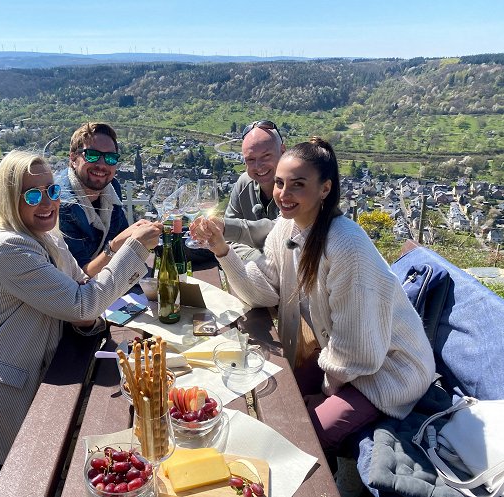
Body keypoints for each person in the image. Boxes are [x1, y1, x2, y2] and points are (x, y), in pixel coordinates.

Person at [190, 137, 434, 459]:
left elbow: (359, 348)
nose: (283, 194)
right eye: (279, 183)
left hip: (388, 370)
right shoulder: (286, 229)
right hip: (343, 354)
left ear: (324, 189)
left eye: (297, 184)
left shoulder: (346, 245)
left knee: (308, 436)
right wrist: (222, 250)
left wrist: (324, 393)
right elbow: (263, 292)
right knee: (280, 405)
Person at [0, 150, 161, 494]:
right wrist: (133, 252)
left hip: (30, 380)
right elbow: (83, 302)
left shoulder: (47, 236)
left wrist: (87, 311)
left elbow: (81, 290)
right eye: (32, 194)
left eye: (52, 191)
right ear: (8, 199)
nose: (47, 202)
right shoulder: (11, 247)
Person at [58, 122, 156, 277]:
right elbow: (80, 275)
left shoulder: (111, 189)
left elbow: (125, 241)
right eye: (92, 155)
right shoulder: (60, 204)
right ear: (73, 157)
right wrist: (115, 247)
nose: (102, 165)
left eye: (110, 158)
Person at [222, 120, 286, 261]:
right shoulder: (244, 183)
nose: (259, 166)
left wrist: (225, 228)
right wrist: (258, 261)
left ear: (283, 151)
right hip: (255, 275)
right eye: (251, 159)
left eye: (266, 156)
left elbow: (283, 232)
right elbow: (229, 240)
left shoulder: (298, 186)